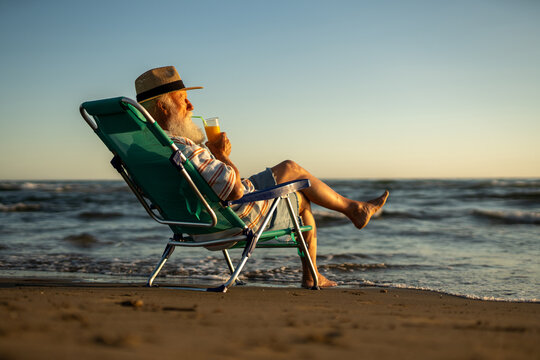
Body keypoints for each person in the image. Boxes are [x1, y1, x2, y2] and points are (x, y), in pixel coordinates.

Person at [135, 66, 389, 288]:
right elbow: (234, 192)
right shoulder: (182, 148)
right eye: (183, 99)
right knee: (301, 197)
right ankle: (318, 267)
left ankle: (352, 211)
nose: (191, 106)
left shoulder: (144, 151)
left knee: (290, 168)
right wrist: (221, 155)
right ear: (162, 106)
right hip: (229, 223)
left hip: (192, 228)